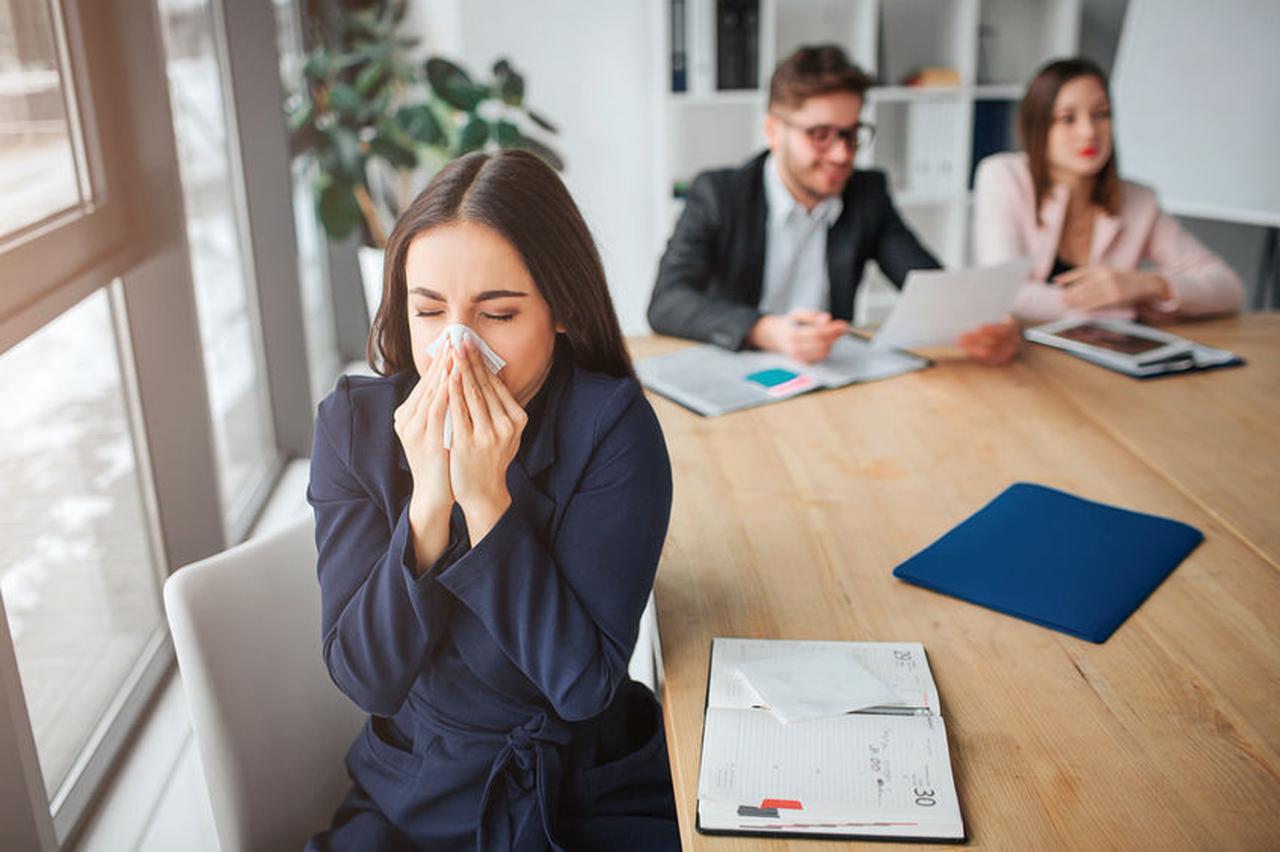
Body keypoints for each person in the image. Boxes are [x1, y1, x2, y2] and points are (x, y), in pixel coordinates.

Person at [306, 150, 679, 851]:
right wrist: (427, 508)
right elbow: (365, 678)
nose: (457, 349)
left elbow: (582, 687)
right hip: (414, 788)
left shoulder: (613, 429)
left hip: (579, 790)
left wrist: (487, 503)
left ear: (563, 309)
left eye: (498, 313)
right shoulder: (353, 426)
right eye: (427, 311)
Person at [648, 44, 1019, 366]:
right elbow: (666, 302)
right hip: (737, 369)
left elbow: (927, 285)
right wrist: (765, 330)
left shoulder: (867, 193)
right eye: (820, 135)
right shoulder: (719, 193)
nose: (842, 155)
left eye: (851, 133)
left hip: (828, 372)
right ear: (774, 131)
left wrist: (981, 323)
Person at [972, 57, 1244, 324]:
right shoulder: (1002, 176)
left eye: (1100, 114)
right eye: (1067, 118)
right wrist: (1126, 311)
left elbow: (1229, 289)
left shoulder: (1139, 200)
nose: (1089, 131)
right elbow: (1004, 293)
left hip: (1105, 354)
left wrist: (1148, 284)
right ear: (1038, 127)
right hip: (1027, 356)